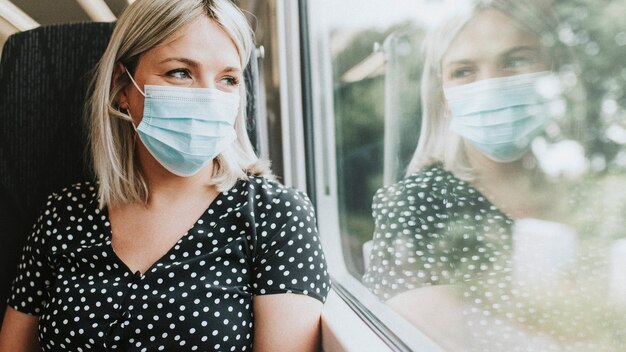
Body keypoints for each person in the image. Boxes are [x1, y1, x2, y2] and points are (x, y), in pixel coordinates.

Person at [0, 0, 330, 351]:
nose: (208, 97)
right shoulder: (63, 213)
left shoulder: (275, 215)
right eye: (180, 72)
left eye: (228, 79)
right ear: (122, 88)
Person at [362, 0, 596, 350]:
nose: (491, 86)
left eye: (515, 60)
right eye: (464, 71)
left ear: (552, 71)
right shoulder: (419, 205)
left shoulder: (591, 198)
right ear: (443, 95)